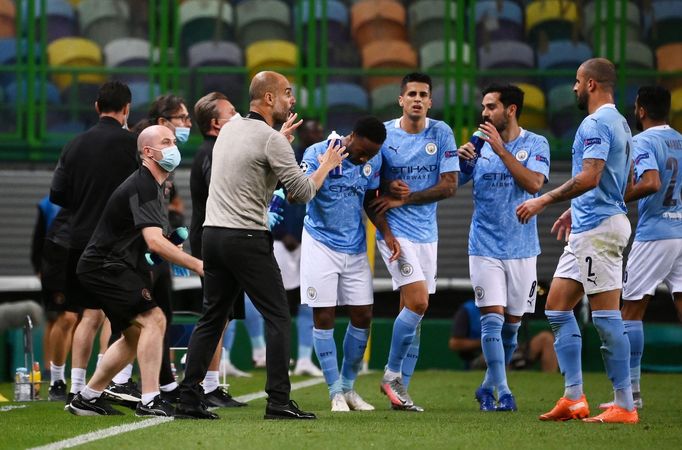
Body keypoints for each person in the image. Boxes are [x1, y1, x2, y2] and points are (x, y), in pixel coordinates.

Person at [176, 71, 345, 420]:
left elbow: (253, 177)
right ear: (268, 99)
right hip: (245, 237)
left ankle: (189, 398)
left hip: (213, 236)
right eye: (286, 93)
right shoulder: (271, 140)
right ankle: (278, 401)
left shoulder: (231, 130)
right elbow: (301, 193)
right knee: (279, 315)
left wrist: (277, 140)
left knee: (211, 317)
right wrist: (327, 164)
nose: (291, 100)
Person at [516, 58, 638, 423]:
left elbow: (591, 176)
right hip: (591, 224)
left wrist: (545, 199)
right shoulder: (621, 123)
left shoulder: (597, 123)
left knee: (605, 317)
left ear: (591, 85)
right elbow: (621, 181)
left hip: (599, 231)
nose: (573, 87)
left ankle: (625, 405)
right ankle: (573, 398)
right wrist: (578, 207)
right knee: (555, 307)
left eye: (577, 81)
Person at [67, 125, 204, 417]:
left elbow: (148, 243)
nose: (173, 146)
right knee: (154, 320)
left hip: (111, 265)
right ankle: (150, 399)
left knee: (132, 335)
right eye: (165, 142)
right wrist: (197, 265)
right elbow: (154, 242)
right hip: (105, 265)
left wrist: (169, 249)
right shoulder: (143, 184)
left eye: (172, 140)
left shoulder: (152, 186)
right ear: (148, 152)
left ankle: (87, 397)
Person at [456, 84, 551, 411]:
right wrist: (462, 162)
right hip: (483, 245)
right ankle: (505, 391)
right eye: (484, 106)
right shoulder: (478, 144)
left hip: (523, 249)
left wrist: (500, 151)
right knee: (492, 322)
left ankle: (486, 387)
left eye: (491, 106)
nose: (484, 113)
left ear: (510, 110)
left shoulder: (536, 143)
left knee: (512, 329)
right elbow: (452, 183)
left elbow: (534, 184)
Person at [370, 72, 459, 411]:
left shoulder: (442, 132)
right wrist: (387, 193)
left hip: (427, 234)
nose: (418, 99)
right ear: (401, 100)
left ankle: (400, 392)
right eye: (412, 94)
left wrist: (405, 198)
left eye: (423, 94)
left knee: (411, 310)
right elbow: (372, 187)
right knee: (419, 303)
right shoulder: (385, 135)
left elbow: (449, 185)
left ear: (431, 101)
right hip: (395, 234)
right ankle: (391, 375)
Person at [49, 80, 139, 405]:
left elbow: (57, 194)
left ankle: (75, 386)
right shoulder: (133, 145)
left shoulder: (74, 145)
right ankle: (106, 384)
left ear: (97, 107)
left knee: (88, 314)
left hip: (79, 239)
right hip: (118, 244)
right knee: (130, 319)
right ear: (127, 109)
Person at [301, 116, 396, 411]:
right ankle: (334, 393)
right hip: (320, 243)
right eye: (362, 151)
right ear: (351, 136)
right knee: (324, 316)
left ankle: (348, 388)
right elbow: (298, 192)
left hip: (355, 247)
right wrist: (326, 165)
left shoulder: (374, 161)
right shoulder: (317, 152)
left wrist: (387, 233)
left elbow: (370, 200)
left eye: (372, 154)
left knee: (363, 315)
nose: (365, 157)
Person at [598, 86, 682, 411]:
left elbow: (651, 182)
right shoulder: (679, 139)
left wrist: (615, 199)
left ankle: (631, 393)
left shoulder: (645, 141)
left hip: (655, 234)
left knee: (631, 311)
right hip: (680, 230)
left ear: (642, 110)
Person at [188, 91, 247, 407]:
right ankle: (204, 386)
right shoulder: (212, 153)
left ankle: (210, 385)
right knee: (215, 314)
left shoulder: (220, 150)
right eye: (232, 113)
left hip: (220, 238)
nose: (238, 117)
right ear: (215, 123)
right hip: (213, 241)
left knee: (222, 315)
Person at [274, 118, 325, 377]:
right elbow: (273, 196)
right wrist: (281, 232)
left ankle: (306, 357)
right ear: (302, 135)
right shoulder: (287, 159)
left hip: (310, 239)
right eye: (311, 131)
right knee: (275, 299)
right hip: (280, 241)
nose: (316, 135)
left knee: (310, 298)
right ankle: (266, 355)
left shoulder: (327, 160)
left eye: (319, 131)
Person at [30, 199, 78, 401]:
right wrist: (39, 267)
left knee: (76, 320)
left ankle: (75, 378)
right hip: (56, 261)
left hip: (80, 257)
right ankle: (52, 373)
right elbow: (39, 236)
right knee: (58, 319)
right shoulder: (48, 205)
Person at [449, 300, 558, 373]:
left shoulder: (509, 305)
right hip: (482, 355)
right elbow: (455, 343)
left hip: (513, 349)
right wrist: (488, 341)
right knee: (496, 352)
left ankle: (548, 379)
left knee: (546, 338)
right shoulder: (469, 309)